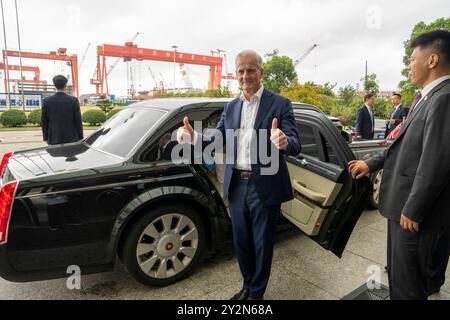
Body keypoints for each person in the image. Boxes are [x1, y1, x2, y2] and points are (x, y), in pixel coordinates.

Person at [177, 50, 301, 300]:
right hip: (236, 185)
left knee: (262, 244)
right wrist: (195, 137)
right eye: (241, 71)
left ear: (261, 72)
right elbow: (219, 136)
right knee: (242, 242)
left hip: (264, 185)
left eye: (251, 70)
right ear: (236, 75)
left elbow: (296, 142)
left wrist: (284, 141)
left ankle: (256, 294)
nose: (246, 75)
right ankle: (247, 285)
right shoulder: (231, 106)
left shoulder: (279, 103)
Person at [348, 29, 450, 300]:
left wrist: (414, 209)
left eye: (412, 59)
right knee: (399, 276)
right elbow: (405, 146)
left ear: (432, 60)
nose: (408, 66)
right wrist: (371, 164)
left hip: (414, 215)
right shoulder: (427, 98)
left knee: (407, 285)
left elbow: (436, 162)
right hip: (404, 209)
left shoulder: (444, 98)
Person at [42, 75, 83, 145]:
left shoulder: (47, 101)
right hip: (72, 137)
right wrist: (80, 136)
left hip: (54, 137)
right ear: (65, 86)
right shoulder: (74, 100)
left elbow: (44, 121)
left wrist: (45, 137)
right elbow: (78, 120)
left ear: (55, 86)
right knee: (70, 155)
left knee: (56, 155)